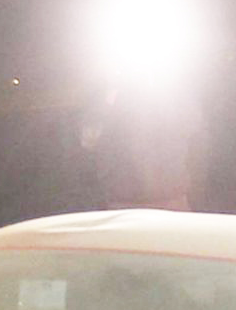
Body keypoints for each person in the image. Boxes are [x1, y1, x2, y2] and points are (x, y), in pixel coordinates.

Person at [78, 81, 207, 212]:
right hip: (123, 203)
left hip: (172, 199)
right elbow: (89, 140)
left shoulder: (173, 94)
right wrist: (108, 103)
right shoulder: (108, 97)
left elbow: (194, 130)